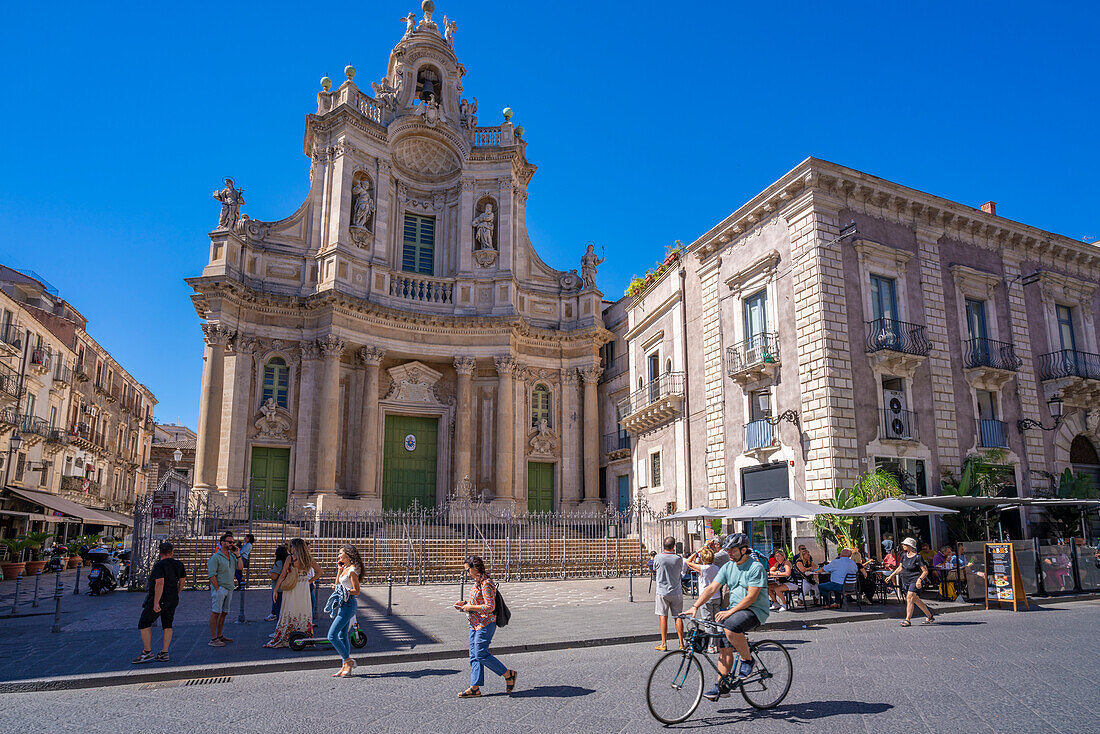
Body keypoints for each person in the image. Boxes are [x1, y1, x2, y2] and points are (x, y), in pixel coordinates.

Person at [687, 533, 770, 702]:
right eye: (728, 550)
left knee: (730, 626)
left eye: (732, 550)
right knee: (723, 646)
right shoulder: (728, 567)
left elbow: (751, 598)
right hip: (735, 609)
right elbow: (711, 588)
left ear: (744, 550)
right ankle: (722, 686)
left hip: (754, 610)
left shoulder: (755, 568)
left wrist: (729, 612)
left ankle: (748, 661)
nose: (729, 553)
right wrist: (695, 606)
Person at [455, 555, 517, 698]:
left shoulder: (486, 584)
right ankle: (475, 688)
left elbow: (490, 606)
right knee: (474, 655)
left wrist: (470, 607)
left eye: (467, 570)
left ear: (475, 568)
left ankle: (508, 674)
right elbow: (478, 601)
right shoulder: (478, 582)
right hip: (474, 623)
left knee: (480, 653)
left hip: (485, 623)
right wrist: (465, 605)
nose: (466, 573)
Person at [133, 542, 186, 664]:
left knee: (144, 623)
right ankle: (164, 652)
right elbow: (182, 581)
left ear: (160, 552)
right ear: (172, 552)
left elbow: (159, 583)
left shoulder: (159, 565)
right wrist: (177, 593)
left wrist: (156, 602)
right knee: (167, 625)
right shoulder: (179, 564)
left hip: (160, 599)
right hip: (173, 598)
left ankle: (147, 652)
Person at [265, 538, 316, 648]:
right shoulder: (308, 559)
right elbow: (320, 572)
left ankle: (286, 635)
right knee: (303, 609)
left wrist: (275, 589)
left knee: (289, 608)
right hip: (304, 587)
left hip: (293, 586)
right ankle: (303, 633)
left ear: (295, 547)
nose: (290, 548)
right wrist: (309, 581)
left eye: (292, 546)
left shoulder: (291, 558)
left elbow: (282, 575)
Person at [328, 544, 364, 678]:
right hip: (343, 605)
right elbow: (337, 586)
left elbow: (357, 590)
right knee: (342, 636)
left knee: (332, 636)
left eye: (340, 553)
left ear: (347, 555)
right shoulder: (345, 568)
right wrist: (339, 570)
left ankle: (348, 661)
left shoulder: (352, 570)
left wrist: (344, 591)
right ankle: (345, 668)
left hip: (349, 605)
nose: (338, 556)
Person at [884, 537, 935, 626]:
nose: (902, 546)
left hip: (914, 580)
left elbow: (925, 571)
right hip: (905, 580)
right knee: (915, 600)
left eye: (904, 544)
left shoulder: (918, 557)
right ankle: (929, 615)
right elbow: (900, 568)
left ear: (910, 546)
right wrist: (891, 576)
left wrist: (919, 580)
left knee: (909, 597)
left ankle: (907, 620)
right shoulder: (903, 555)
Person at [206, 532, 242, 647]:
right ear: (222, 543)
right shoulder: (215, 557)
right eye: (229, 542)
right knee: (216, 612)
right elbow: (212, 575)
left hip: (229, 587)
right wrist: (217, 589)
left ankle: (220, 635)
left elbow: (240, 567)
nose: (232, 544)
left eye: (233, 542)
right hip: (220, 588)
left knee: (224, 612)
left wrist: (238, 555)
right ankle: (213, 638)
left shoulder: (232, 556)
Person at [684, 547, 722, 653]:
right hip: (717, 596)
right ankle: (718, 644)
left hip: (705, 598)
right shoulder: (716, 568)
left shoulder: (703, 568)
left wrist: (697, 551)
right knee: (716, 621)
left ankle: (711, 645)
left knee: (708, 622)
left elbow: (688, 561)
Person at [653, 536, 685, 651]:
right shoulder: (678, 558)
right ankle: (681, 643)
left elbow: (655, 569)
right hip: (676, 591)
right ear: (674, 546)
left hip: (662, 591)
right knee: (678, 616)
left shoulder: (658, 557)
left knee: (663, 616)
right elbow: (681, 569)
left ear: (663, 545)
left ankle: (664, 643)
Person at [265, 544, 288, 622]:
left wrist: (269, 573)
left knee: (278, 610)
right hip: (286, 588)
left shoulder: (279, 563)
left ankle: (278, 629)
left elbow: (274, 576)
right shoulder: (287, 561)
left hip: (278, 589)